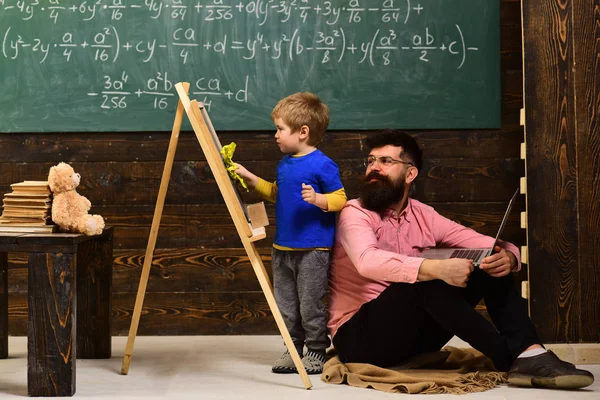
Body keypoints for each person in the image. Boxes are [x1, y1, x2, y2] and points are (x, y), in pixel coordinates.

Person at [328, 129, 594, 389]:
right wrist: (436, 268)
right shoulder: (356, 212)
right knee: (426, 280)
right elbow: (367, 261)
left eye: (386, 161)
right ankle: (513, 358)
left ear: (410, 173)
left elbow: (485, 243)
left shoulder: (424, 215)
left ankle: (530, 350)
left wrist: (510, 258)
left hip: (412, 340)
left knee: (490, 264)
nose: (374, 167)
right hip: (359, 339)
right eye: (371, 161)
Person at [235, 92, 346, 375]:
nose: (275, 135)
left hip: (312, 249)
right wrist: (250, 177)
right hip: (282, 247)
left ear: (303, 132)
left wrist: (319, 200)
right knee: (286, 304)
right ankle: (292, 347)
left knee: (310, 305)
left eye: (280, 129)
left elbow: (341, 199)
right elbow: (276, 193)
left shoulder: (322, 164)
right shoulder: (284, 164)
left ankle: (317, 350)